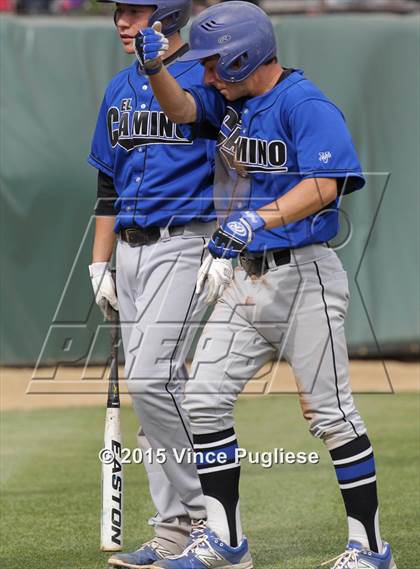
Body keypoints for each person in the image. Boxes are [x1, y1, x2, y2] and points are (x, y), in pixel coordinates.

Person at [134, 2, 398, 568]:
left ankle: (371, 550)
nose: (204, 75)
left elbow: (327, 182)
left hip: (303, 273)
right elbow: (181, 110)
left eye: (212, 64)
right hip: (245, 279)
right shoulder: (231, 103)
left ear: (243, 57)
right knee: (203, 402)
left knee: (332, 414)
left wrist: (253, 220)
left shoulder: (303, 102)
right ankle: (227, 545)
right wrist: (156, 71)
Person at [88, 2, 235, 568]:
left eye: (134, 10)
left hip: (184, 239)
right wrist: (99, 263)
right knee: (155, 393)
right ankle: (173, 527)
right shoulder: (117, 87)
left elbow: (234, 158)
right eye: (118, 11)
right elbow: (107, 180)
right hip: (127, 249)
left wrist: (228, 238)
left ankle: (210, 521)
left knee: (151, 380)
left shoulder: (209, 77)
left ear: (168, 12)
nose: (122, 21)